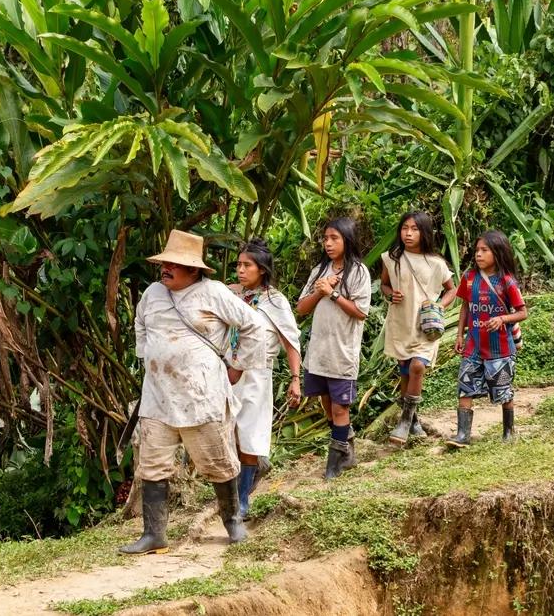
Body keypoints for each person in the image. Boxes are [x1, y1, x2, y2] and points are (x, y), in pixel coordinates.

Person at [120, 230, 266, 555]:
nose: (166, 268)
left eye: (175, 264)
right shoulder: (153, 294)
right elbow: (140, 324)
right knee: (152, 465)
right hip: (157, 397)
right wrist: (149, 354)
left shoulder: (213, 293)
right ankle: (153, 533)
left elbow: (253, 326)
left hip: (202, 397)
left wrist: (238, 365)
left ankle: (232, 523)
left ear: (194, 270)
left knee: (218, 463)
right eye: (165, 263)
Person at [228, 238, 302, 518]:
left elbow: (290, 341)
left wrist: (295, 379)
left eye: (247, 265)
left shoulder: (275, 301)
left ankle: (242, 499)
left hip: (257, 375)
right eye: (238, 264)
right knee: (232, 432)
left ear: (262, 269)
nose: (240, 270)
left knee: (249, 434)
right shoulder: (233, 295)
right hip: (230, 372)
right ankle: (238, 487)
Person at [295, 217, 371, 480]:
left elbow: (361, 312)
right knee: (327, 403)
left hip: (342, 353)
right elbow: (301, 308)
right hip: (318, 352)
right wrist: (320, 290)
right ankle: (346, 446)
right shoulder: (319, 270)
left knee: (340, 408)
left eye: (334, 238)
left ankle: (334, 464)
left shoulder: (359, 272)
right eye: (325, 238)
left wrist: (334, 294)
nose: (328, 243)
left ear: (347, 240)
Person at [379, 211, 456, 445]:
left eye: (414, 229)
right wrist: (391, 294)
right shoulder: (391, 259)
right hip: (401, 322)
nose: (408, 233)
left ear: (424, 232)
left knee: (417, 366)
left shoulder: (436, 263)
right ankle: (413, 421)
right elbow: (383, 285)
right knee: (404, 369)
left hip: (426, 324)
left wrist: (438, 305)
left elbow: (452, 289)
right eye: (404, 228)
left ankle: (403, 421)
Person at [447, 231, 528, 448]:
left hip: (499, 347)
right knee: (465, 385)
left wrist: (502, 318)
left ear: (497, 252)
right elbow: (465, 306)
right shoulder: (469, 278)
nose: (478, 255)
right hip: (473, 344)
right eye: (477, 251)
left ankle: (509, 432)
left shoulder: (507, 281)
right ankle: (463, 435)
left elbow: (522, 312)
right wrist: (459, 335)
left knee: (503, 389)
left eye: (485, 250)